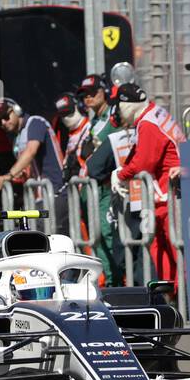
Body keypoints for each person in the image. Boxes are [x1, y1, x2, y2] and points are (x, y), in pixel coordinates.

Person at [113, 83, 184, 283]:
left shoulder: (148, 123)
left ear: (126, 105)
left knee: (173, 251)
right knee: (161, 250)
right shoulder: (154, 113)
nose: (117, 111)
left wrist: (120, 176)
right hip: (167, 195)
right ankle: (172, 298)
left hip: (169, 196)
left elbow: (143, 163)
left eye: (118, 106)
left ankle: (181, 301)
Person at [0, 98, 68, 229]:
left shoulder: (35, 122)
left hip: (54, 193)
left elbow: (31, 151)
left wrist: (8, 175)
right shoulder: (17, 138)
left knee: (34, 237)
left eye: (6, 117)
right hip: (37, 198)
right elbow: (27, 168)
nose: (3, 123)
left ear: (17, 111)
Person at [78, 73, 121, 283]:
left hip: (106, 187)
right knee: (96, 238)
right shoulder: (93, 120)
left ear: (104, 91)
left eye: (93, 93)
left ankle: (119, 281)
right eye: (85, 95)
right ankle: (109, 282)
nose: (88, 98)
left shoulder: (113, 115)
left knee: (107, 234)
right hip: (91, 187)